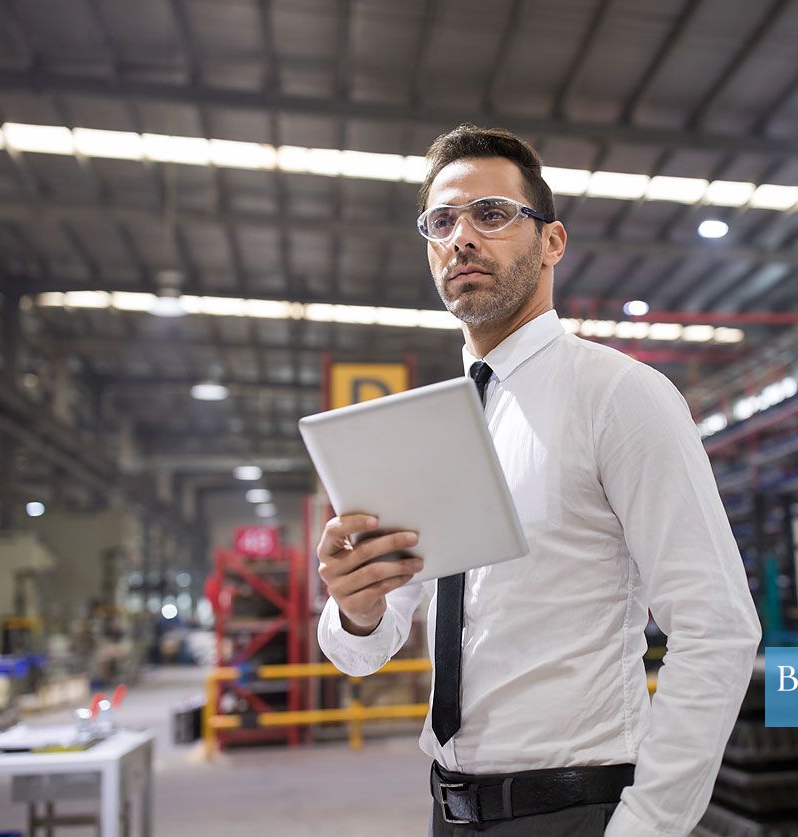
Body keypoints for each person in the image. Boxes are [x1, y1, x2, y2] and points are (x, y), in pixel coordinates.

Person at [317, 124, 761, 836]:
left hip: (578, 810)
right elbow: (364, 650)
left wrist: (647, 825)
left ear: (552, 241)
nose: (461, 237)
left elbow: (717, 626)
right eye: (441, 221)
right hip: (449, 810)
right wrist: (357, 606)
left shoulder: (618, 396)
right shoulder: (431, 427)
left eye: (490, 214)